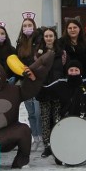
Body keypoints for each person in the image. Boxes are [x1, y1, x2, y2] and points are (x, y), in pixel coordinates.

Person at [35, 26, 65, 157]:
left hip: (58, 89)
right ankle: (47, 145)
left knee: (57, 118)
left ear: (55, 38)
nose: (48, 38)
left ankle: (58, 143)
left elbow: (64, 70)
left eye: (51, 36)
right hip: (44, 90)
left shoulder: (62, 53)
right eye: (46, 36)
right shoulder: (38, 53)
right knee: (45, 119)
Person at [16, 14, 42, 144]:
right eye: (25, 26)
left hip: (37, 80)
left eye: (29, 25)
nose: (27, 28)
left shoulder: (39, 41)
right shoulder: (20, 43)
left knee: (38, 112)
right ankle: (35, 137)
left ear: (34, 27)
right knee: (31, 113)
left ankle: (42, 137)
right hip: (24, 81)